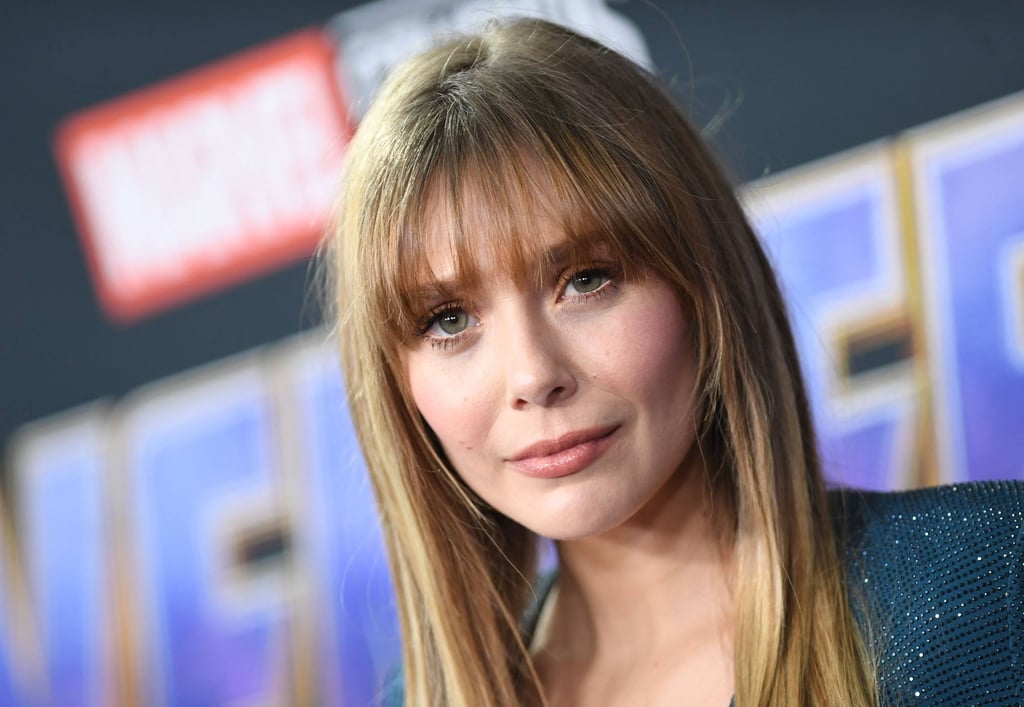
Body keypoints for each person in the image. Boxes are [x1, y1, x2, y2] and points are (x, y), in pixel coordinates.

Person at [328, 17, 1023, 707]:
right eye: (449, 320)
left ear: (702, 286)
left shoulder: (985, 587)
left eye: (586, 280)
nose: (533, 376)